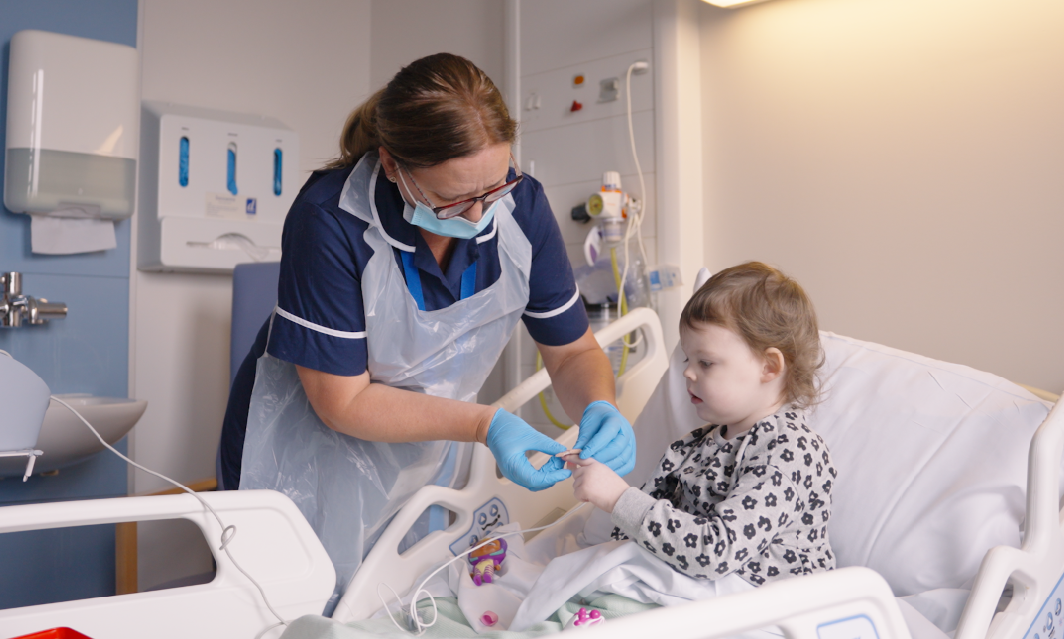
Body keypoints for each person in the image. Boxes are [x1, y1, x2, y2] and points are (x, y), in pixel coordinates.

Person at [218, 53, 636, 612]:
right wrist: (486, 423)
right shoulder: (330, 218)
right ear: (393, 166)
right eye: (454, 199)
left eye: (495, 188)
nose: (478, 216)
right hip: (307, 449)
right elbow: (342, 402)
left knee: (398, 601)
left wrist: (599, 405)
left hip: (420, 442)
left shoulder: (522, 206)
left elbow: (571, 352)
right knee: (297, 608)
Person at [565, 262, 836, 586]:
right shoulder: (696, 445)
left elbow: (716, 552)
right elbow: (639, 537)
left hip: (769, 611)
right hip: (693, 596)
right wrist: (597, 478)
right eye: (687, 360)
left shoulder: (792, 449)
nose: (688, 373)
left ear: (769, 366)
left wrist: (618, 497)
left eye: (705, 362)